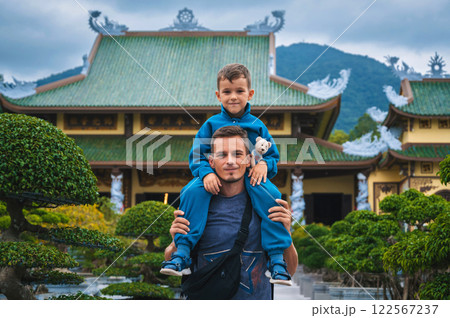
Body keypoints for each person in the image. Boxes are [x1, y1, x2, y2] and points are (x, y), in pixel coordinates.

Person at [161, 64, 293, 285]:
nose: (233, 97)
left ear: (250, 94)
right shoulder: (210, 125)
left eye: (239, 91)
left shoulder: (258, 125)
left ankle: (277, 260)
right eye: (227, 92)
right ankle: (182, 252)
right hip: (213, 176)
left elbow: (272, 155)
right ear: (218, 95)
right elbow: (197, 156)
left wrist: (264, 166)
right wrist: (205, 174)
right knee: (191, 191)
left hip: (252, 177)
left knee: (273, 196)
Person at [164, 126, 298, 299]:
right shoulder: (197, 205)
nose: (230, 161)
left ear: (249, 159)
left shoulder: (266, 206)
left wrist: (286, 233)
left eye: (237, 154)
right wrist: (175, 242)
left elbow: (291, 270)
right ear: (211, 162)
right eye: (222, 155)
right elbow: (169, 260)